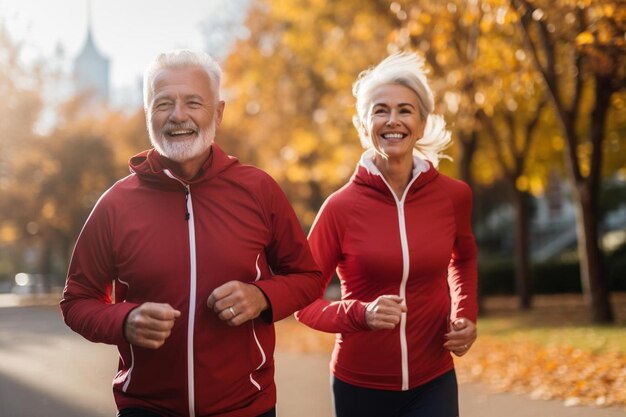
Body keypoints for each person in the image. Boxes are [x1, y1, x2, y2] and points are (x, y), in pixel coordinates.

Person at [60, 49, 322, 417]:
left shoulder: (259, 190)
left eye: (193, 102)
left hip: (247, 407)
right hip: (146, 408)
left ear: (218, 112)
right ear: (148, 114)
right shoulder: (115, 204)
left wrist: (262, 296)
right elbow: (76, 302)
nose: (178, 116)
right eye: (163, 103)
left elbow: (308, 276)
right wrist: (124, 320)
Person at [295, 52, 478, 417]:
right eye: (380, 110)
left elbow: (464, 257)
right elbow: (302, 302)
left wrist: (466, 314)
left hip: (434, 381)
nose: (393, 120)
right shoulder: (339, 208)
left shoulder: (453, 196)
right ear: (364, 125)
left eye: (405, 110)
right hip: (360, 386)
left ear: (423, 123)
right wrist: (360, 314)